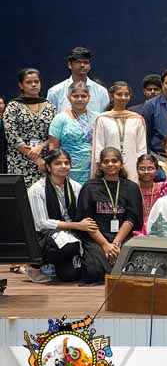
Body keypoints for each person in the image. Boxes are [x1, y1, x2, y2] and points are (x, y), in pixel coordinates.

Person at [77, 147, 143, 284]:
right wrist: (105, 244)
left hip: (122, 237)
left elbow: (131, 218)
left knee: (129, 268)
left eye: (114, 161)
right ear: (100, 165)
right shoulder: (89, 187)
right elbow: (86, 221)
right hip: (97, 238)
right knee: (94, 271)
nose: (110, 164)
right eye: (106, 161)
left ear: (121, 163)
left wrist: (116, 243)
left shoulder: (131, 187)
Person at [27, 149, 90, 283]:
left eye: (66, 163)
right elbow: (41, 223)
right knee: (69, 245)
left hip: (72, 233)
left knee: (71, 276)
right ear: (48, 167)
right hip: (45, 236)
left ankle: (54, 265)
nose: (63, 166)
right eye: (58, 163)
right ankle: (34, 267)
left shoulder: (76, 187)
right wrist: (76, 225)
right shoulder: (36, 189)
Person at [5, 68, 57, 187]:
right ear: (21, 85)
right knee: (22, 197)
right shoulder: (13, 106)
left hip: (45, 162)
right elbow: (11, 135)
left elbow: (55, 134)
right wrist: (36, 159)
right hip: (20, 161)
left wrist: (41, 146)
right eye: (29, 82)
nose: (34, 85)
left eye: (36, 81)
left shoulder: (49, 106)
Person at [92, 81, 147, 183]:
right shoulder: (102, 119)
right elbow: (99, 146)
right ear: (112, 96)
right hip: (110, 166)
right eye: (119, 94)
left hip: (132, 166)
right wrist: (101, 166)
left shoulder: (137, 119)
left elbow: (142, 148)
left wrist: (142, 166)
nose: (123, 97)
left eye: (126, 95)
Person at [47, 81, 96, 185]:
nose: (80, 99)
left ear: (89, 97)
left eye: (83, 96)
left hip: (93, 171)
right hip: (67, 170)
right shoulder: (60, 119)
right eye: (75, 96)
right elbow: (53, 147)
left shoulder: (97, 117)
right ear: (69, 97)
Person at [45, 47, 110, 113]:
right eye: (78, 62)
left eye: (86, 62)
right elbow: (50, 117)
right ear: (70, 65)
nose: (82, 65)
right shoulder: (55, 91)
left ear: (90, 66)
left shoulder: (101, 91)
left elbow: (106, 117)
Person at [135, 154, 162, 235]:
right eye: (142, 168)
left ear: (157, 171)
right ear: (137, 170)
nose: (146, 172)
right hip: (136, 232)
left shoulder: (162, 188)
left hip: (159, 231)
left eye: (150, 168)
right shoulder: (132, 189)